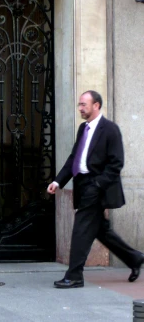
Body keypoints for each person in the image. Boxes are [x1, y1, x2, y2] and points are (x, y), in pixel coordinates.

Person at [47, 90, 144, 288]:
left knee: (81, 229)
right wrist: (58, 181)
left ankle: (74, 275)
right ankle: (134, 258)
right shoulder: (83, 128)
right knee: (100, 230)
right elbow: (75, 157)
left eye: (84, 104)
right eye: (80, 105)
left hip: (97, 186)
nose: (81, 108)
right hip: (82, 185)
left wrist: (98, 184)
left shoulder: (110, 129)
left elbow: (116, 163)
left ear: (96, 105)